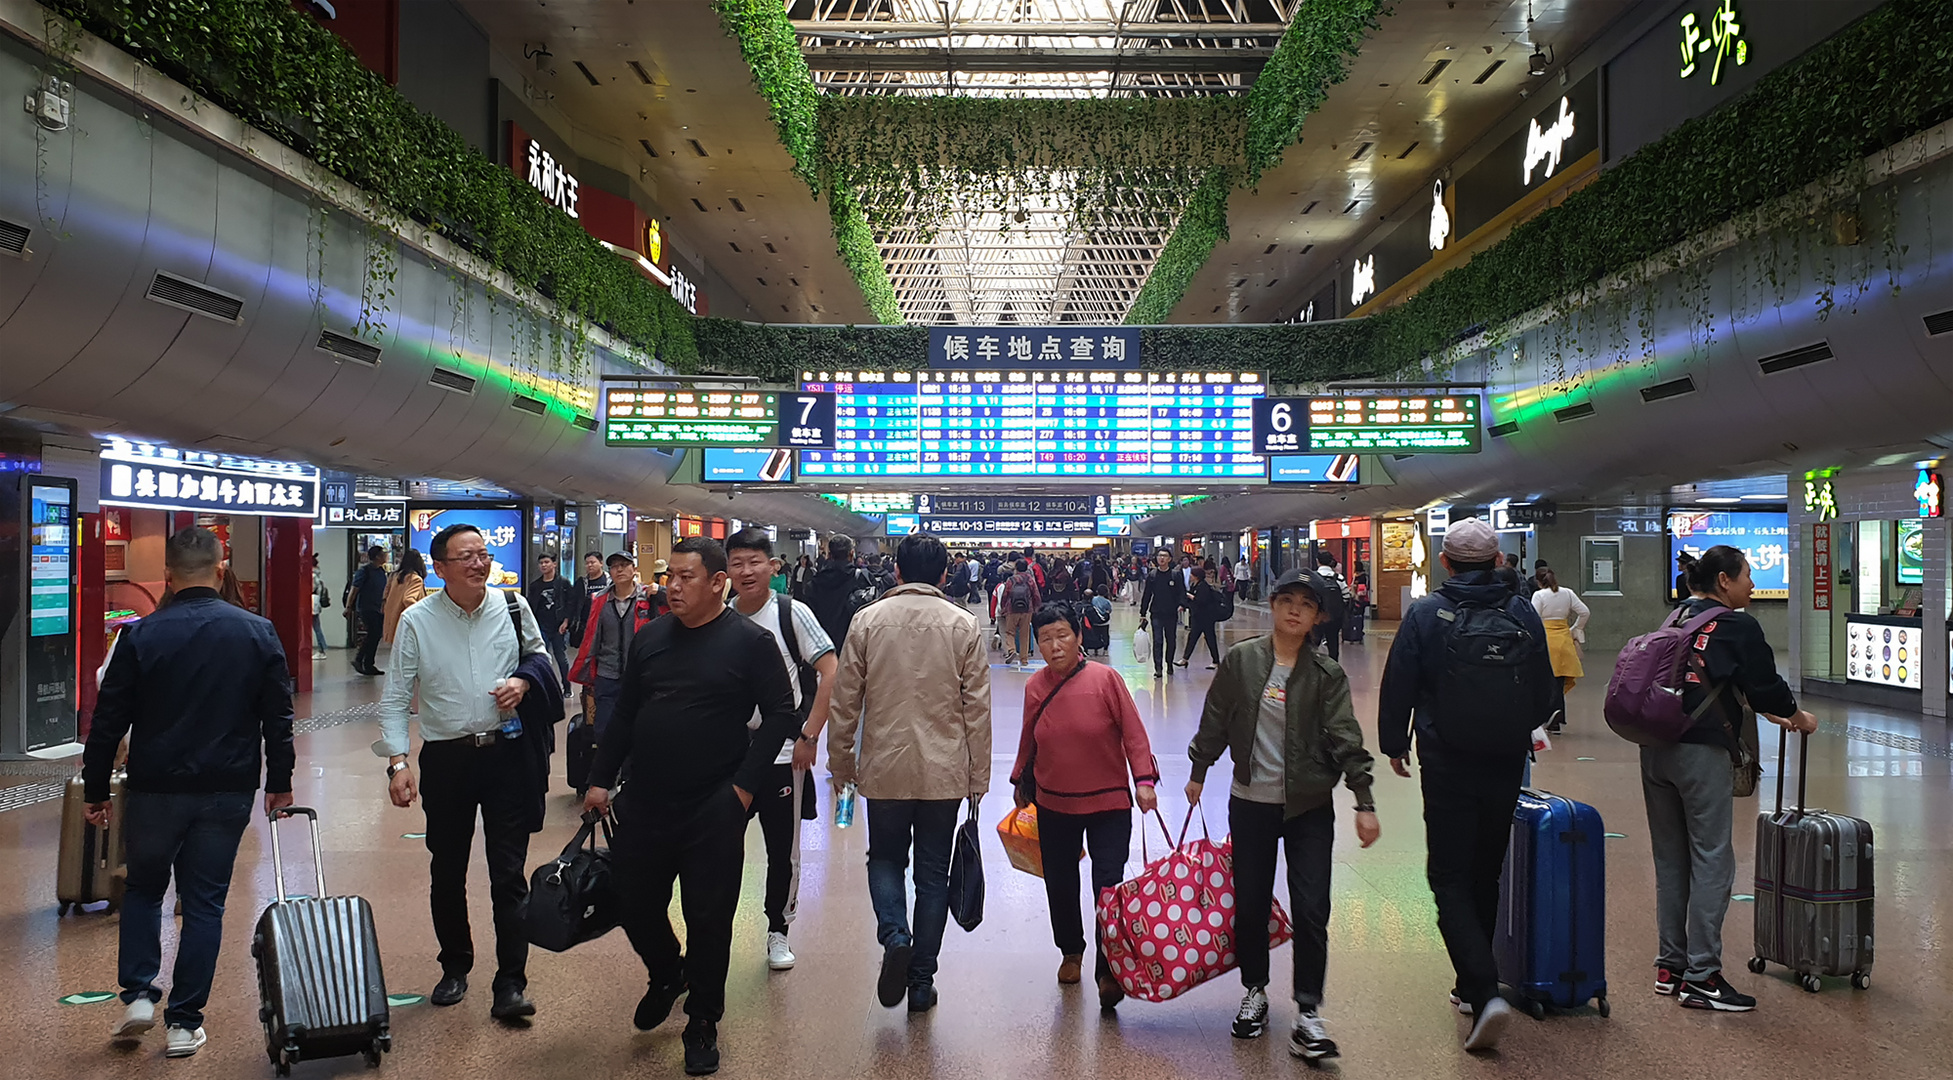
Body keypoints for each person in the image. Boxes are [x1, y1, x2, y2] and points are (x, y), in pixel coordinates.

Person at [579, 538, 796, 1074]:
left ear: (717, 582)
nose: (672, 587)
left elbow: (779, 714)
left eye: (686, 577)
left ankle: (702, 1019)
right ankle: (666, 972)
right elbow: (626, 714)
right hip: (646, 799)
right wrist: (599, 779)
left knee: (709, 916)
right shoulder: (651, 639)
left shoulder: (750, 642)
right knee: (634, 903)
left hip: (713, 804)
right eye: (669, 576)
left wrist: (743, 788)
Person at [83, 528, 295, 1060]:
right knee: (204, 904)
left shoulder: (139, 636)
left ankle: (136, 994)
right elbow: (278, 718)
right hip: (225, 789)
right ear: (221, 570)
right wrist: (280, 782)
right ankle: (184, 1023)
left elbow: (107, 722)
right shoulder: (257, 632)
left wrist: (95, 789)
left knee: (145, 890)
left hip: (155, 789)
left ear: (170, 577)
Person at [1376, 517, 1554, 1052]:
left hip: (1447, 760)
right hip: (1504, 760)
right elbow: (1545, 691)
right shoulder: (1522, 609)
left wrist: (1393, 744)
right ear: (1498, 562)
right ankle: (1470, 983)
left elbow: (1399, 681)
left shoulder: (1428, 613)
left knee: (1447, 876)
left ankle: (1482, 989)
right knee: (1485, 868)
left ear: (1446, 563)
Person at [1185, 568, 1378, 1061]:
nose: (1294, 609)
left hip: (1309, 805)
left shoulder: (1326, 674)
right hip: (1250, 802)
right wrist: (1199, 769)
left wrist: (1363, 799)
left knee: (1312, 908)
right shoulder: (1243, 661)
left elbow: (1345, 736)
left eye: (1306, 604)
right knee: (1250, 902)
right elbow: (1216, 716)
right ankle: (1255, 991)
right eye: (1287, 599)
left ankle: (1308, 1011)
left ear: (1317, 617)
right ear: (1272, 606)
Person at [375, 522, 552, 1022]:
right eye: (467, 556)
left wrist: (523, 680)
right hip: (447, 759)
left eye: (484, 553)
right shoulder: (418, 621)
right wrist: (398, 762)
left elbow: (541, 658)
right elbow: (393, 699)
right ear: (440, 568)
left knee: (508, 875)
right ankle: (454, 965)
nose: (479, 563)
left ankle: (511, 983)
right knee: (447, 870)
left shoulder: (513, 606)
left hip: (507, 756)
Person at [1646, 545, 1818, 1013]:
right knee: (1712, 858)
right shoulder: (1736, 624)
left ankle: (1671, 967)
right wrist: (1797, 716)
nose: (1752, 585)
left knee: (1670, 859)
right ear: (1724, 581)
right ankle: (1703, 976)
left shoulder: (1676, 617)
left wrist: (1769, 712)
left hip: (1654, 748)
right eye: (1747, 576)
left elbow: (1717, 682)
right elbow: (1764, 685)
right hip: (1700, 752)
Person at [827, 532, 991, 1015]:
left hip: (884, 766)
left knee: (884, 860)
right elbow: (976, 708)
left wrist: (842, 765)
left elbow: (845, 702)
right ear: (944, 575)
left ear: (896, 572)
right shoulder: (963, 624)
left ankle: (895, 934)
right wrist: (977, 779)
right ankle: (921, 982)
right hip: (945, 771)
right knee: (934, 874)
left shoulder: (867, 621)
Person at [1008, 603, 1158, 1010]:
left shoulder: (1106, 679)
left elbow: (1134, 732)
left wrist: (1144, 780)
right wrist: (1020, 777)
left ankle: (1108, 968)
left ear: (1078, 636)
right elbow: (1029, 735)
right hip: (1053, 800)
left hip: (1109, 800)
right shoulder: (1035, 686)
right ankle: (1070, 951)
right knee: (1060, 879)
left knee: (1107, 885)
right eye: (1045, 639)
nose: (1054, 646)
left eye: (1062, 636)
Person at [726, 528, 839, 974]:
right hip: (730, 755)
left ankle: (779, 928)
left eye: (755, 561)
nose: (746, 571)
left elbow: (830, 672)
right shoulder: (719, 616)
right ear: (726, 572)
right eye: (737, 563)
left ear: (773, 567)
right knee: (718, 845)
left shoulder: (792, 613)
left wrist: (809, 736)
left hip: (782, 753)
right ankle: (715, 927)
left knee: (783, 850)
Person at [569, 553, 658, 741]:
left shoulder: (648, 598)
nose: (619, 569)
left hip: (638, 676)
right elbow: (592, 637)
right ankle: (608, 769)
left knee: (638, 730)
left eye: (624, 565)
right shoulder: (600, 601)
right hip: (607, 675)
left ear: (634, 570)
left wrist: (661, 591)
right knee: (604, 731)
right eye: (615, 566)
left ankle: (630, 769)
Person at [1529, 566, 1591, 696]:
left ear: (1538, 582)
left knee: (1546, 683)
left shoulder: (1539, 595)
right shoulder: (1567, 593)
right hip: (1564, 640)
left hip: (1545, 641)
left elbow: (1533, 618)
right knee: (1560, 685)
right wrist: (1576, 629)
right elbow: (1584, 612)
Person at [806, 534, 874, 647]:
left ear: (829, 554)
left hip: (822, 646)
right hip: (853, 645)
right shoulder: (863, 578)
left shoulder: (814, 583)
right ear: (852, 553)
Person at [526, 552, 578, 681]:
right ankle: (544, 684)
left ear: (554, 564)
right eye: (541, 563)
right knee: (541, 656)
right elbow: (531, 605)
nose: (543, 565)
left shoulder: (563, 583)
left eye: (547, 562)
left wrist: (566, 622)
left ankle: (566, 686)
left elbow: (570, 603)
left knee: (560, 657)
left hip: (558, 625)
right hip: (541, 626)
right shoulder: (535, 586)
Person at [1139, 549, 1184, 679]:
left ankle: (1169, 663)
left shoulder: (1175, 575)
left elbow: (1181, 592)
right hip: (1156, 613)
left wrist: (1181, 604)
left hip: (1171, 613)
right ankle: (1158, 667)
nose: (1162, 558)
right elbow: (1147, 595)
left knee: (1171, 640)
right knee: (1157, 641)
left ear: (1169, 559)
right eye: (1160, 556)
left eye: (1165, 556)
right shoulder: (1152, 575)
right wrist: (1143, 612)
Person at [347, 545, 389, 675]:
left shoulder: (381, 572)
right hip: (367, 608)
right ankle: (361, 660)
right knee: (373, 633)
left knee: (375, 635)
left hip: (378, 608)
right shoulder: (364, 571)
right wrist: (348, 607)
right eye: (383, 554)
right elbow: (354, 589)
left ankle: (367, 662)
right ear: (377, 556)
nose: (386, 556)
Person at [382, 548, 429, 649]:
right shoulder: (415, 579)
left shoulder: (395, 576)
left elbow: (386, 594)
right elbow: (408, 599)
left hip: (393, 619)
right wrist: (423, 612)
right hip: (407, 623)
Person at [1000, 558, 1042, 668]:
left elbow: (1005, 594)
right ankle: (1024, 659)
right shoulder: (1030, 579)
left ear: (1016, 568)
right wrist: (1037, 607)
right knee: (1025, 634)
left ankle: (1012, 650)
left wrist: (1003, 607)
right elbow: (1036, 594)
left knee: (1010, 632)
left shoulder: (1011, 580)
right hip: (1027, 609)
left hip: (1012, 609)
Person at [1180, 565, 1224, 669]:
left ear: (1196, 576)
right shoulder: (1194, 585)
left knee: (1210, 639)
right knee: (1193, 638)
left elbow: (1201, 601)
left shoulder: (1203, 586)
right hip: (1197, 617)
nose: (1190, 576)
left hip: (1206, 617)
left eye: (1192, 574)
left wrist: (1191, 596)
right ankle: (1185, 659)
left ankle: (1215, 661)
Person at [1312, 552, 1350, 661]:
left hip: (1317, 617)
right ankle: (1334, 669)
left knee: (1313, 644)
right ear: (1331, 562)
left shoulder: (1313, 578)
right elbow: (1346, 596)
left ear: (1317, 561)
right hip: (1334, 617)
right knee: (1333, 643)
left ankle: (1311, 667)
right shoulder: (1339, 578)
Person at [310, 554, 331, 658]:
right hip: (315, 602)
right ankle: (322, 648)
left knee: (316, 627)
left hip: (312, 602)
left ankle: (321, 649)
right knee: (317, 626)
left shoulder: (312, 575)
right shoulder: (317, 574)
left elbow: (311, 588)